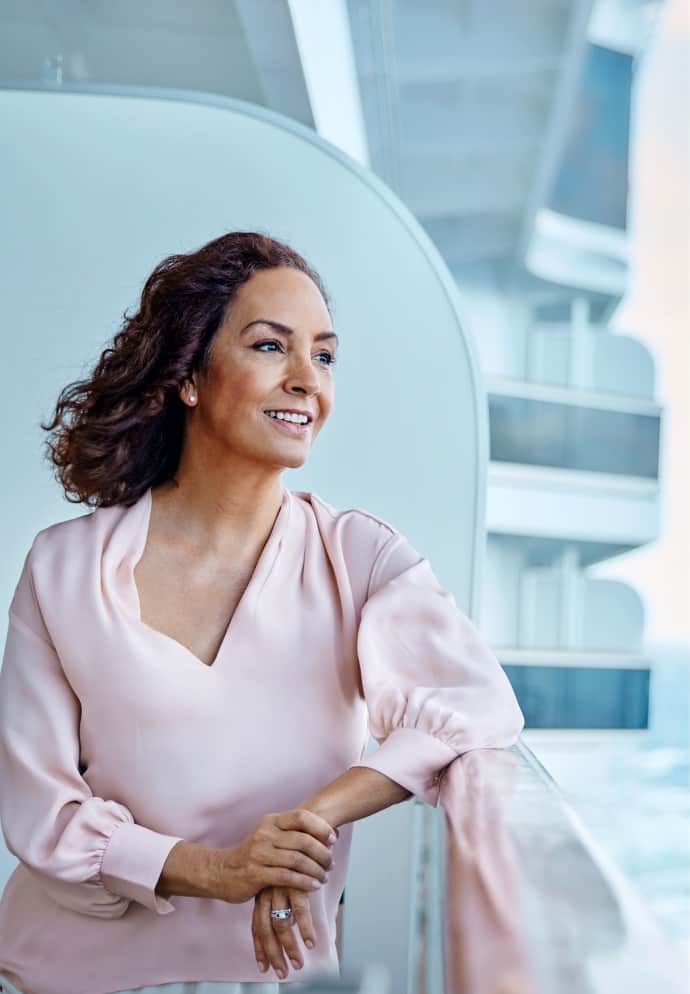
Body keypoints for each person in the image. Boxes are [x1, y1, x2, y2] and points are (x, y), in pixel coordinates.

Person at [0, 231, 525, 994]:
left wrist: (304, 826)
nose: (306, 379)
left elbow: (475, 706)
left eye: (325, 355)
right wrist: (219, 869)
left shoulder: (361, 558)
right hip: (55, 976)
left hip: (267, 978)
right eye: (271, 346)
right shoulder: (63, 567)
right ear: (189, 375)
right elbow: (40, 810)